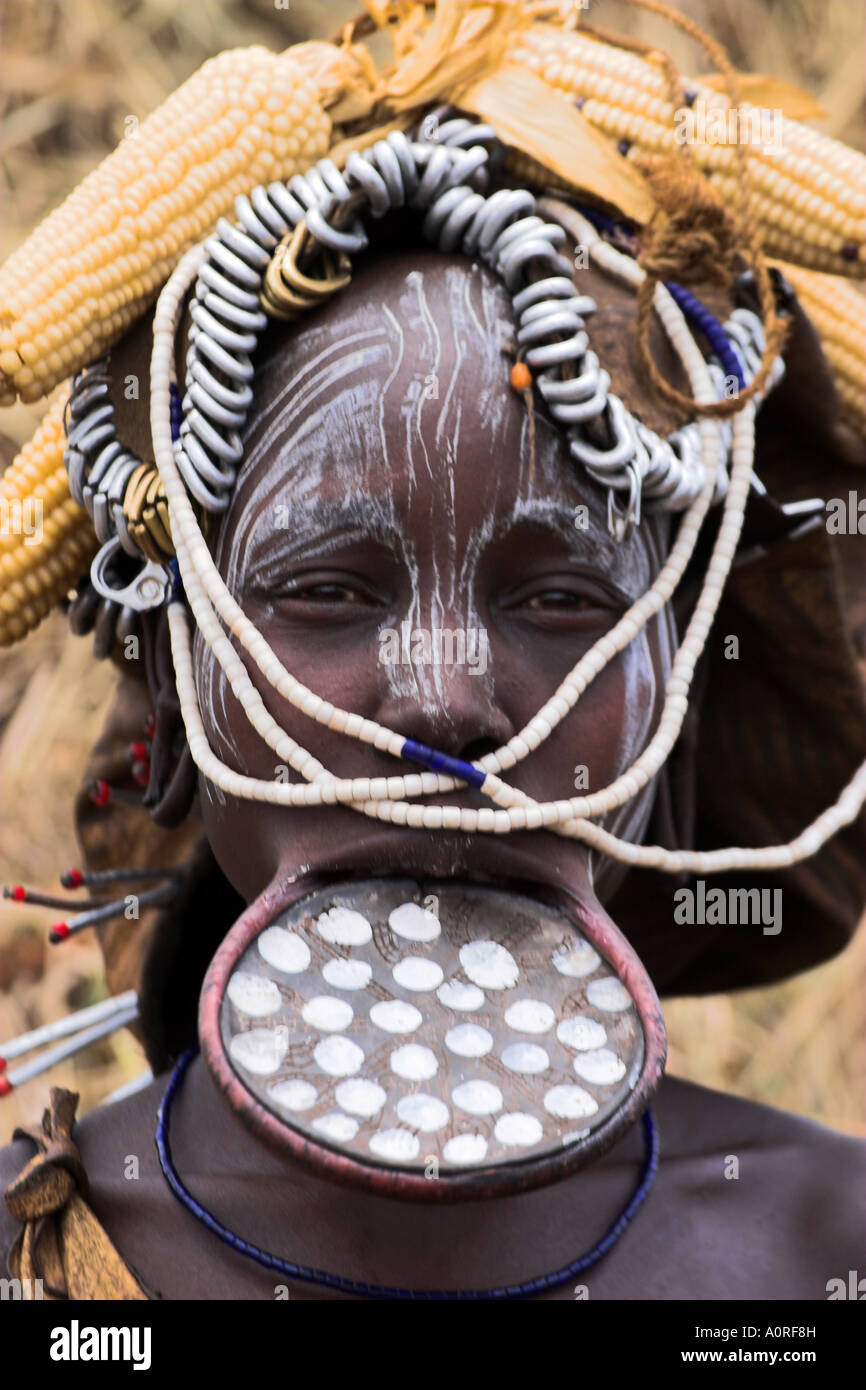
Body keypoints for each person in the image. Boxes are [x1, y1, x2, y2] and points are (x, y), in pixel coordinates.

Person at [0, 0, 864, 1302]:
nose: (451, 697)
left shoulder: (822, 1252)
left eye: (563, 599)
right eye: (330, 590)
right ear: (179, 699)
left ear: (673, 707)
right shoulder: (39, 1269)